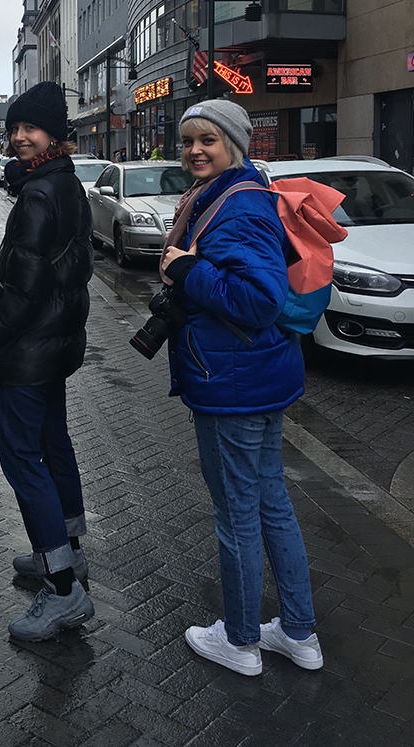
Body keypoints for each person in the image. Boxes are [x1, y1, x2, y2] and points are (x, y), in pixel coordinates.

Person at [159, 99, 322, 676]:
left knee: (237, 514)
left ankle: (240, 640)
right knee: (271, 502)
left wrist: (186, 269)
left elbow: (259, 301)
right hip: (255, 375)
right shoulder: (229, 194)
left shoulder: (239, 206)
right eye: (188, 141)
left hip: (233, 383)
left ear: (235, 143)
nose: (195, 150)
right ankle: (298, 633)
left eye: (208, 140)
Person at [0, 81, 95, 642]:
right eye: (16, 128)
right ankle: (68, 550)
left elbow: (24, 285)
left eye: (32, 128)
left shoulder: (39, 192)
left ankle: (62, 588)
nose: (20, 137)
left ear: (54, 135)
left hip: (28, 349)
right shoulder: (65, 182)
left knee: (24, 460)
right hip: (54, 345)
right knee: (53, 444)